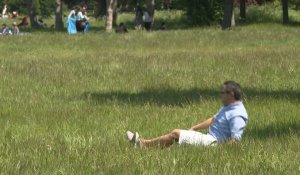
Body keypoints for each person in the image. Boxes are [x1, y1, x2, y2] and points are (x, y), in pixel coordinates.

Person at [126, 81, 248, 148]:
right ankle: (148, 147)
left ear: (231, 94)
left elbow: (235, 140)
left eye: (222, 92)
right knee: (177, 143)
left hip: (214, 143)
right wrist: (194, 128)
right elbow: (213, 119)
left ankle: (143, 144)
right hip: (209, 138)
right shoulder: (229, 107)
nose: (220, 95)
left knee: (176, 133)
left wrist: (220, 152)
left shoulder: (238, 115)